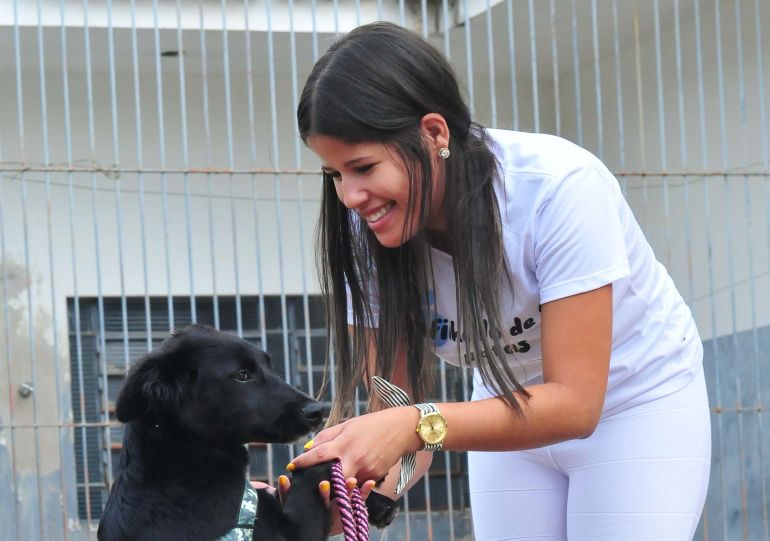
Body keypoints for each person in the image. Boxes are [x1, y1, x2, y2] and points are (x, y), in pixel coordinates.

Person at [288, 21, 711, 540]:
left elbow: (575, 405)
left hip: (632, 405)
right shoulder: (365, 234)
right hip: (503, 409)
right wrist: (354, 492)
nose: (350, 197)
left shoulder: (558, 190)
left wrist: (412, 425)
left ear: (434, 133)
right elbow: (399, 414)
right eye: (334, 175)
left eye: (363, 167)